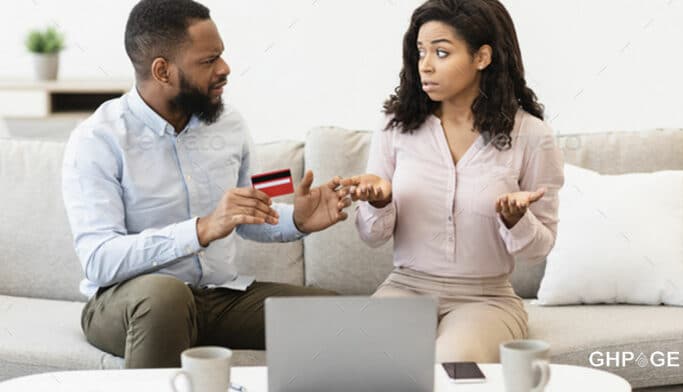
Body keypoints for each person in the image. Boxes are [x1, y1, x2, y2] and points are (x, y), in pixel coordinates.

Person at [62, 0, 349, 368]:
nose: (225, 69)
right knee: (166, 298)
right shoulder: (97, 140)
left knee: (342, 316)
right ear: (162, 71)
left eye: (222, 56)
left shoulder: (229, 124)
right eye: (209, 60)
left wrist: (298, 220)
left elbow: (247, 210)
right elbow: (99, 260)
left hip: (219, 297)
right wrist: (200, 230)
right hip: (129, 303)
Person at [340, 0, 564, 363]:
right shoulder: (395, 126)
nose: (425, 65)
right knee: (364, 363)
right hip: (405, 288)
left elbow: (539, 249)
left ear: (482, 57)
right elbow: (372, 236)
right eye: (420, 52)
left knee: (452, 366)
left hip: (486, 299)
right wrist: (379, 202)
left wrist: (515, 219)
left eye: (441, 52)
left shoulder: (532, 135)